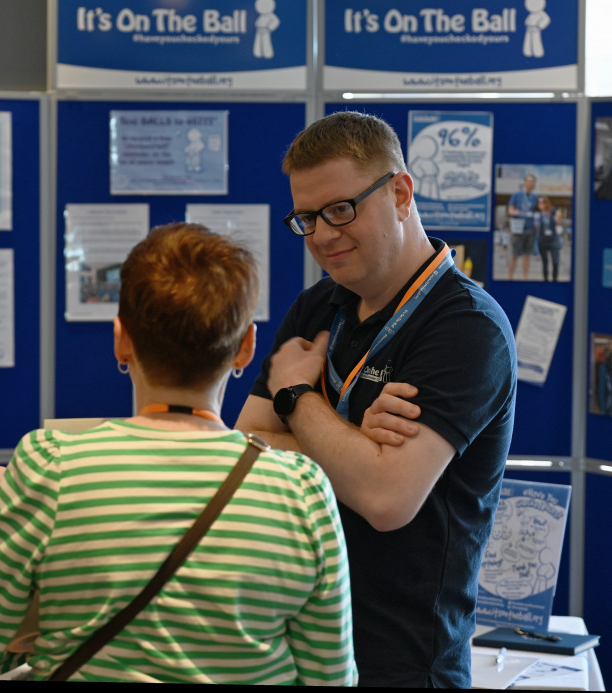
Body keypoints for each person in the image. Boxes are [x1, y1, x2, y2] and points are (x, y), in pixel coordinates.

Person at [0, 223, 356, 684]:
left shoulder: (52, 468)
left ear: (121, 339)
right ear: (246, 348)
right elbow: (330, 676)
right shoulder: (302, 491)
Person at [235, 111, 517, 688]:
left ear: (400, 192)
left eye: (341, 209)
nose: (323, 235)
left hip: (404, 661)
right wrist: (359, 444)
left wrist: (297, 396)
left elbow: (387, 499)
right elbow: (244, 450)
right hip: (295, 649)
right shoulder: (316, 308)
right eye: (307, 218)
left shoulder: (467, 327)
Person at [507, 173, 538, 280]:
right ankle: (510, 278)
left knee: (527, 255)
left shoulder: (535, 197)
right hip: (518, 229)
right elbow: (510, 210)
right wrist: (516, 212)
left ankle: (525, 278)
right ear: (525, 182)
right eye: (528, 181)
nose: (530, 183)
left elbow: (536, 213)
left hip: (530, 228)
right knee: (515, 255)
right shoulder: (517, 195)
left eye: (532, 181)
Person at [534, 195, 563, 282]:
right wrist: (536, 223)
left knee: (555, 261)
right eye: (539, 202)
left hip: (553, 240)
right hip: (543, 240)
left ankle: (555, 279)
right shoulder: (538, 214)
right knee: (545, 262)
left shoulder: (553, 211)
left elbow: (558, 222)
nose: (541, 204)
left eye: (543, 202)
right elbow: (537, 228)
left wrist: (558, 216)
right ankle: (546, 280)